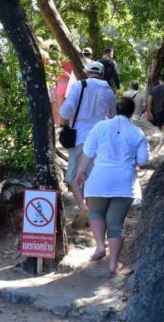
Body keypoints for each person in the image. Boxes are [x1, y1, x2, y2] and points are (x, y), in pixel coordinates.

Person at [74, 97, 149, 276]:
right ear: (132, 112)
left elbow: (88, 152)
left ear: (115, 109)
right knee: (115, 224)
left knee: (96, 213)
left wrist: (80, 173)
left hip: (99, 180)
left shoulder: (100, 127)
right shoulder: (138, 133)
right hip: (124, 183)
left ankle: (100, 246)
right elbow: (143, 160)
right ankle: (113, 264)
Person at [59, 61, 117, 228]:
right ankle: (93, 212)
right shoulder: (108, 91)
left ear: (87, 71)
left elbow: (65, 110)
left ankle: (84, 207)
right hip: (99, 140)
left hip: (79, 138)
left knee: (72, 176)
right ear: (102, 73)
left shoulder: (79, 86)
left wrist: (64, 124)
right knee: (92, 177)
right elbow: (113, 117)